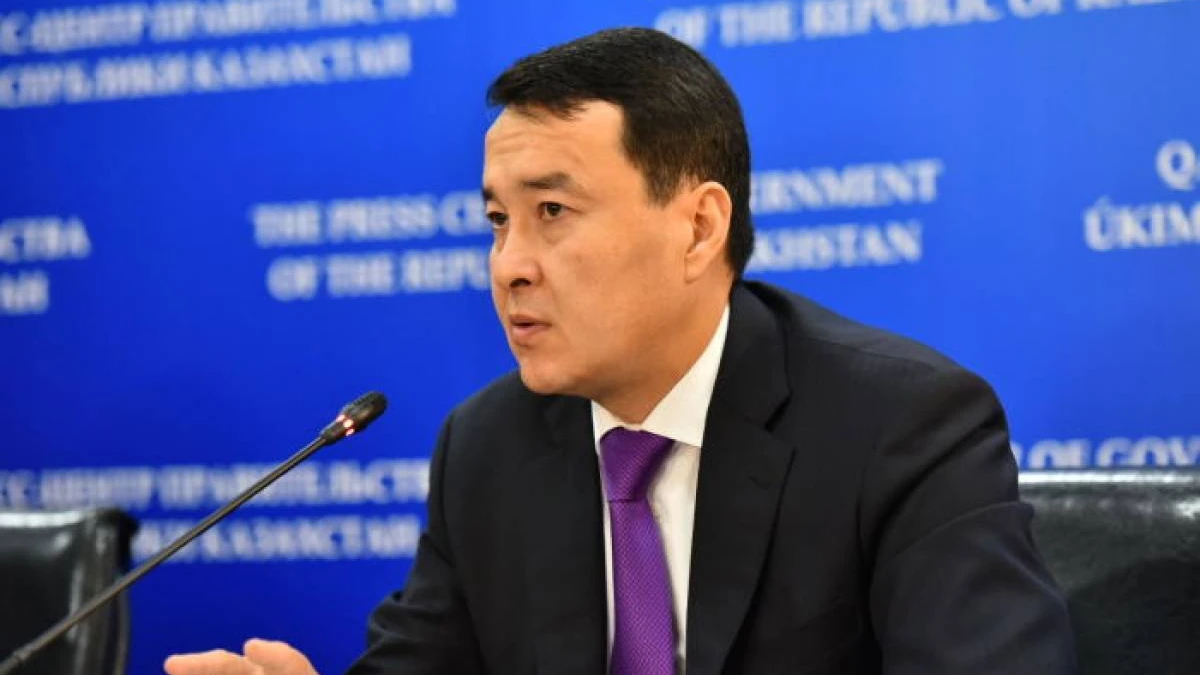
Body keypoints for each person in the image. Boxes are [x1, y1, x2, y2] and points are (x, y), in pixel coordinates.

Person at [165, 27, 1077, 675]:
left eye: (552, 211)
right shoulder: (487, 448)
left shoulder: (900, 425)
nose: (509, 265)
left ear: (698, 227)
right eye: (497, 220)